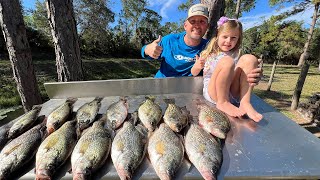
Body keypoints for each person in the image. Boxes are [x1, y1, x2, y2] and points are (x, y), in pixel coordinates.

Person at [191, 16, 263, 122]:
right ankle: (223, 102)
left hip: (232, 93)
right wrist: (197, 66)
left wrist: (255, 70)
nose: (228, 41)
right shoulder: (209, 54)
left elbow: (244, 75)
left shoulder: (237, 54)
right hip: (214, 92)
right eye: (225, 37)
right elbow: (193, 72)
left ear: (238, 39)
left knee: (250, 58)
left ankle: (245, 102)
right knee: (227, 61)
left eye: (233, 38)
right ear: (218, 35)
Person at [141, 3, 210, 78]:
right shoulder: (170, 40)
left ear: (207, 26)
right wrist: (147, 49)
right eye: (193, 21)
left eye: (202, 21)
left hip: (189, 87)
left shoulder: (209, 47)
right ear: (185, 26)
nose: (197, 26)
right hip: (162, 85)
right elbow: (145, 53)